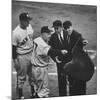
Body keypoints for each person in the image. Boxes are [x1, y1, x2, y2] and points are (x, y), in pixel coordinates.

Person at [31, 26, 67, 98]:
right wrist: (61, 52)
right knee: (44, 91)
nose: (50, 36)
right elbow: (51, 51)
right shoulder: (43, 45)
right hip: (41, 71)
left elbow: (46, 52)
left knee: (37, 88)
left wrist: (54, 59)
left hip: (34, 69)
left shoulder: (37, 39)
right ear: (43, 33)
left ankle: (35, 95)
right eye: (48, 34)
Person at [12, 12, 35, 99]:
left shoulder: (29, 27)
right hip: (22, 57)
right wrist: (15, 61)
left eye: (29, 20)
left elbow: (32, 39)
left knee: (33, 75)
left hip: (31, 54)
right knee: (21, 77)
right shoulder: (15, 33)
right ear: (21, 21)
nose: (28, 23)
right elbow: (13, 48)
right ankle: (20, 95)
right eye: (27, 21)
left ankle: (33, 92)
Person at [62, 20, 88, 96]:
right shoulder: (65, 35)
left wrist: (84, 41)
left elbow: (82, 40)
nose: (67, 30)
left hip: (77, 65)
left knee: (78, 85)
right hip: (71, 64)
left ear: (71, 27)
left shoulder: (77, 35)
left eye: (68, 28)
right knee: (71, 83)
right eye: (66, 28)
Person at [49, 20, 69, 96]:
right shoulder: (53, 37)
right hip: (60, 62)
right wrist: (55, 59)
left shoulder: (68, 34)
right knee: (61, 82)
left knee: (72, 80)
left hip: (70, 61)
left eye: (57, 28)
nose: (56, 30)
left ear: (61, 27)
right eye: (54, 28)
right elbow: (50, 50)